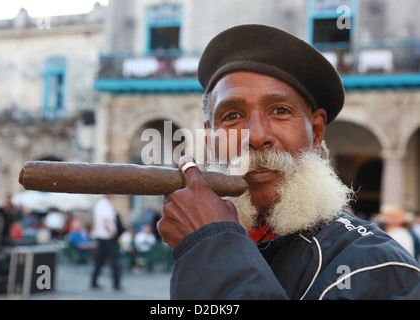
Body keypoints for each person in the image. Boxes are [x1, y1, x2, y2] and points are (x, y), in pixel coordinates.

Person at [157, 24, 420, 300]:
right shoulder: (213, 239)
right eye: (232, 116)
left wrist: (212, 246)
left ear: (316, 132)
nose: (256, 136)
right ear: (211, 139)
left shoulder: (375, 267)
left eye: (280, 111)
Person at [90, 195, 121, 290]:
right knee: (114, 261)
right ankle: (116, 284)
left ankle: (94, 282)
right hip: (108, 237)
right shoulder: (106, 205)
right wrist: (111, 231)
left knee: (99, 260)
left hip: (101, 236)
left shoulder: (98, 204)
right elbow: (106, 220)